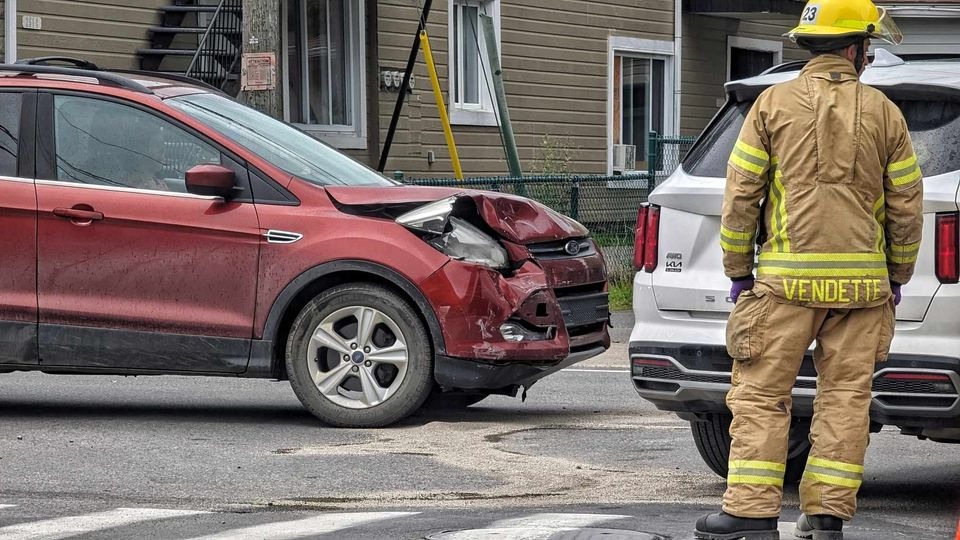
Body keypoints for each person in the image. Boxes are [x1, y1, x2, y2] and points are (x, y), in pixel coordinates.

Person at [695, 1, 924, 539]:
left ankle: (749, 516)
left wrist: (737, 270)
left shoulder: (772, 104)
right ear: (855, 49)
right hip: (864, 292)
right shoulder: (885, 112)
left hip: (783, 287)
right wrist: (897, 275)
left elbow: (742, 193)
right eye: (868, 48)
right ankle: (826, 517)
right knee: (846, 401)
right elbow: (906, 204)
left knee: (760, 397)